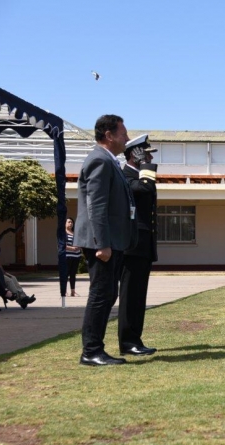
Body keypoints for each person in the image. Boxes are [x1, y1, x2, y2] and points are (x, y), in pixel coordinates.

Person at [74, 114, 137, 367]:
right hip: (101, 243)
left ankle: (95, 348)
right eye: (123, 134)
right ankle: (91, 351)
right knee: (100, 295)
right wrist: (102, 243)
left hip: (112, 241)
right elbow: (96, 206)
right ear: (109, 135)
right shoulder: (99, 161)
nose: (127, 138)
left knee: (107, 293)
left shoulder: (109, 161)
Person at [117, 134, 159, 356]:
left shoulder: (139, 176)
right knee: (130, 295)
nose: (150, 157)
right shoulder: (126, 176)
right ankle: (127, 342)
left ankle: (135, 339)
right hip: (132, 246)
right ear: (135, 155)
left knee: (138, 295)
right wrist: (145, 166)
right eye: (146, 153)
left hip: (142, 245)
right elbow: (145, 190)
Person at [0, 227, 36, 308]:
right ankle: (20, 299)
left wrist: (3, 272)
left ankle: (23, 297)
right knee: (9, 281)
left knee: (12, 277)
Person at [65, 217, 82, 297]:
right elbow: (61, 245)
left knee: (73, 274)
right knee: (66, 273)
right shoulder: (63, 233)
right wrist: (72, 248)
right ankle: (64, 291)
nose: (70, 223)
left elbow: (80, 242)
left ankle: (73, 291)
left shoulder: (75, 233)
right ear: (65, 224)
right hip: (67, 256)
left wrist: (79, 247)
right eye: (68, 222)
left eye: (71, 222)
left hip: (76, 256)